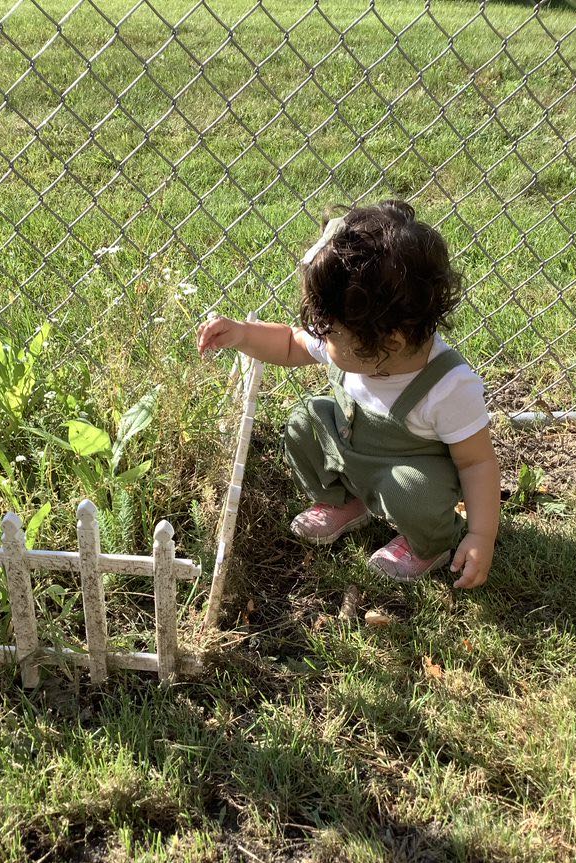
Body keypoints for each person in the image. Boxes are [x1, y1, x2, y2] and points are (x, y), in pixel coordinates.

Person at [197, 199, 500, 588]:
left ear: (388, 342)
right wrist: (241, 334)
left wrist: (481, 535)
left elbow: (477, 464)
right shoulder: (356, 339)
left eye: (330, 331)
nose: (321, 335)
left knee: (411, 494)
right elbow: (290, 343)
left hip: (407, 473)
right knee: (304, 421)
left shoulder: (448, 385)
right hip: (350, 454)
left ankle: (429, 544)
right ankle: (346, 503)